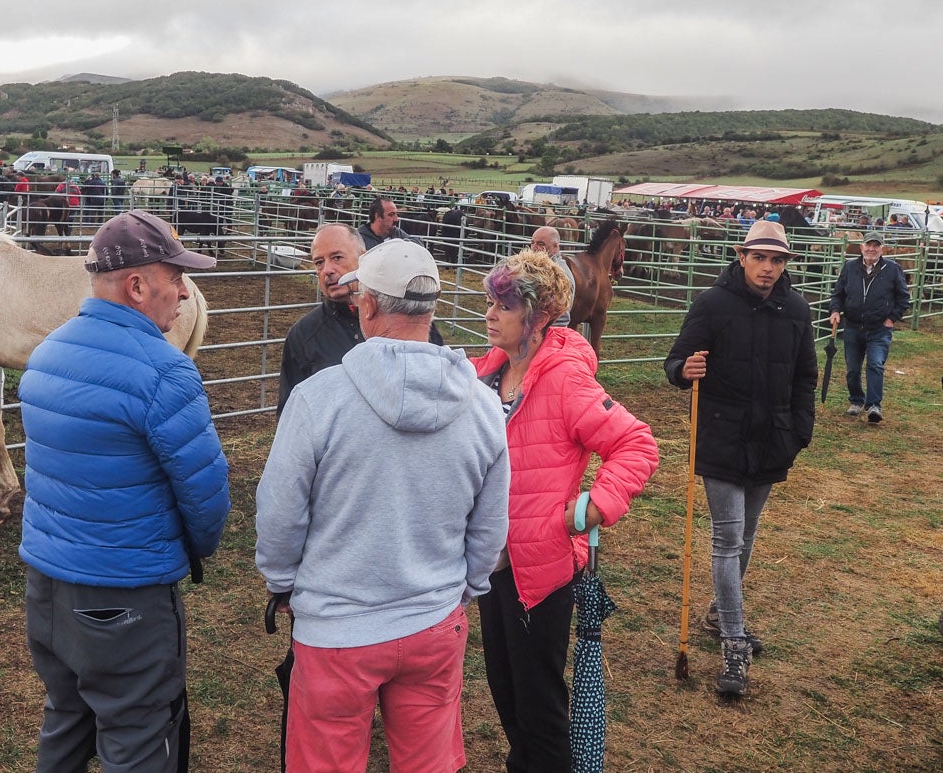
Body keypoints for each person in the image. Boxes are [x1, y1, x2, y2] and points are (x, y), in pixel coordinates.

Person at [257, 239, 511, 773]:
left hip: (336, 629)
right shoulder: (485, 406)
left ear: (366, 305)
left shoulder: (319, 399)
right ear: (432, 307)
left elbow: (280, 511)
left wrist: (282, 581)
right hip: (433, 622)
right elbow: (490, 526)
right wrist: (464, 587)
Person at [18, 210, 231, 771]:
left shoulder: (45, 356)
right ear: (137, 286)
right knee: (138, 734)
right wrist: (195, 550)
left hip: (47, 587)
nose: (184, 293)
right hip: (125, 598)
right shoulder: (164, 372)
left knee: (65, 717)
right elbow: (207, 497)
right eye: (175, 277)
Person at [470, 250, 657, 770]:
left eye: (502, 305)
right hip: (492, 561)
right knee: (505, 687)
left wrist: (590, 509)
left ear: (536, 315)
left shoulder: (565, 380)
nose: (488, 313)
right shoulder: (488, 371)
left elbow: (637, 444)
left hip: (540, 566)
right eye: (489, 301)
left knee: (538, 704)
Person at [664, 220, 817, 696]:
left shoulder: (796, 309)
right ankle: (734, 644)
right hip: (722, 439)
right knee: (727, 538)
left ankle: (717, 614)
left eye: (776, 260)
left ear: (785, 263)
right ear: (741, 255)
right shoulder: (711, 304)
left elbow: (805, 377)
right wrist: (682, 369)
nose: (768, 269)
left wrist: (798, 431)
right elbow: (676, 361)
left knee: (746, 536)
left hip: (772, 438)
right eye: (759, 258)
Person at [278, 223, 443, 415]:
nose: (327, 270)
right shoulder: (304, 335)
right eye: (319, 262)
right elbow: (290, 413)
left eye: (337, 257)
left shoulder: (406, 321)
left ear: (363, 258)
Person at [829, 231, 911, 423]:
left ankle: (874, 405)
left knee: (875, 364)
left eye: (876, 245)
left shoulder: (892, 269)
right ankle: (856, 400)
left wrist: (892, 318)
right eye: (868, 245)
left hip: (879, 328)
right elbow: (838, 294)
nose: (872, 249)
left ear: (882, 249)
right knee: (853, 369)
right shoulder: (850, 267)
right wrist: (834, 310)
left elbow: (903, 297)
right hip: (853, 326)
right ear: (861, 247)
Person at [528, 225, 574, 327]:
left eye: (540, 244)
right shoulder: (534, 267)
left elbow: (561, 317)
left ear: (555, 247)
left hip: (544, 334)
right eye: (532, 243)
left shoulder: (560, 275)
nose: (534, 248)